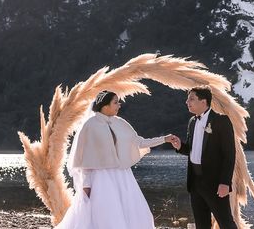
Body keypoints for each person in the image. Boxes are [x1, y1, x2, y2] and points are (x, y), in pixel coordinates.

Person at [57, 90, 177, 229]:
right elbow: (85, 160)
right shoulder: (90, 126)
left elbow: (140, 142)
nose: (119, 105)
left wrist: (164, 139)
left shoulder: (120, 123)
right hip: (102, 179)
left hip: (123, 176)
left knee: (132, 212)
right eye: (115, 102)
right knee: (107, 216)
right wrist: (86, 186)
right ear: (104, 105)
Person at [166, 87, 237, 229]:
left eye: (191, 99)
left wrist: (225, 182)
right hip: (195, 183)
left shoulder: (221, 121)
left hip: (215, 184)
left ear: (204, 101)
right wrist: (180, 146)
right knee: (201, 225)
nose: (187, 102)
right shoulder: (192, 121)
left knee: (226, 223)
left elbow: (229, 155)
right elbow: (192, 150)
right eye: (187, 99)